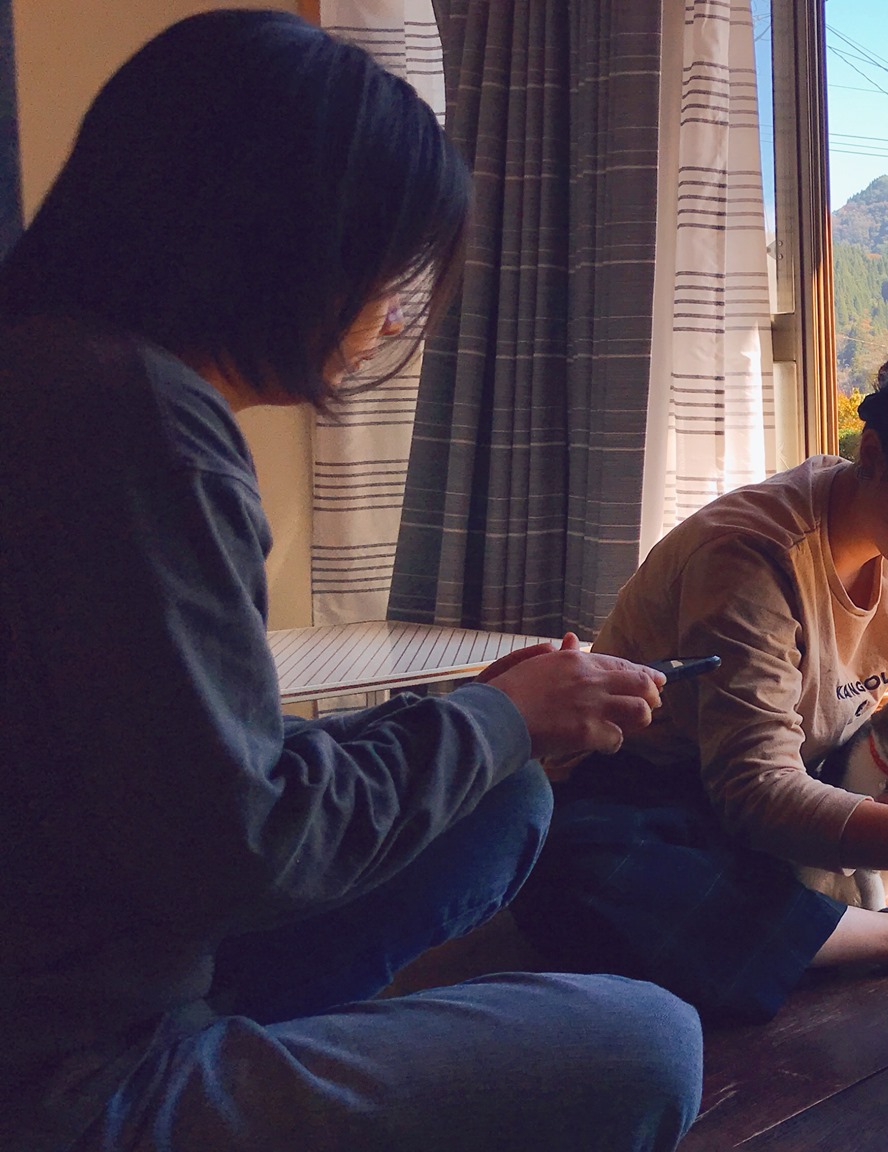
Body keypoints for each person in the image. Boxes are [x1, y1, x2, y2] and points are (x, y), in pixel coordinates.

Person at [0, 12, 699, 1152]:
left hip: (110, 947)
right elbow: (242, 844)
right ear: (286, 245)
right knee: (648, 1043)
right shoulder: (140, 423)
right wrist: (498, 717)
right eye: (386, 267)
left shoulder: (52, 366)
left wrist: (486, 720)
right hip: (75, 1077)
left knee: (504, 797)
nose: (389, 313)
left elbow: (176, 782)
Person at [511, 348, 888, 1022]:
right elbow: (754, 792)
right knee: (584, 869)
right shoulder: (748, 557)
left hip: (827, 758)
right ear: (874, 455)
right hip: (673, 789)